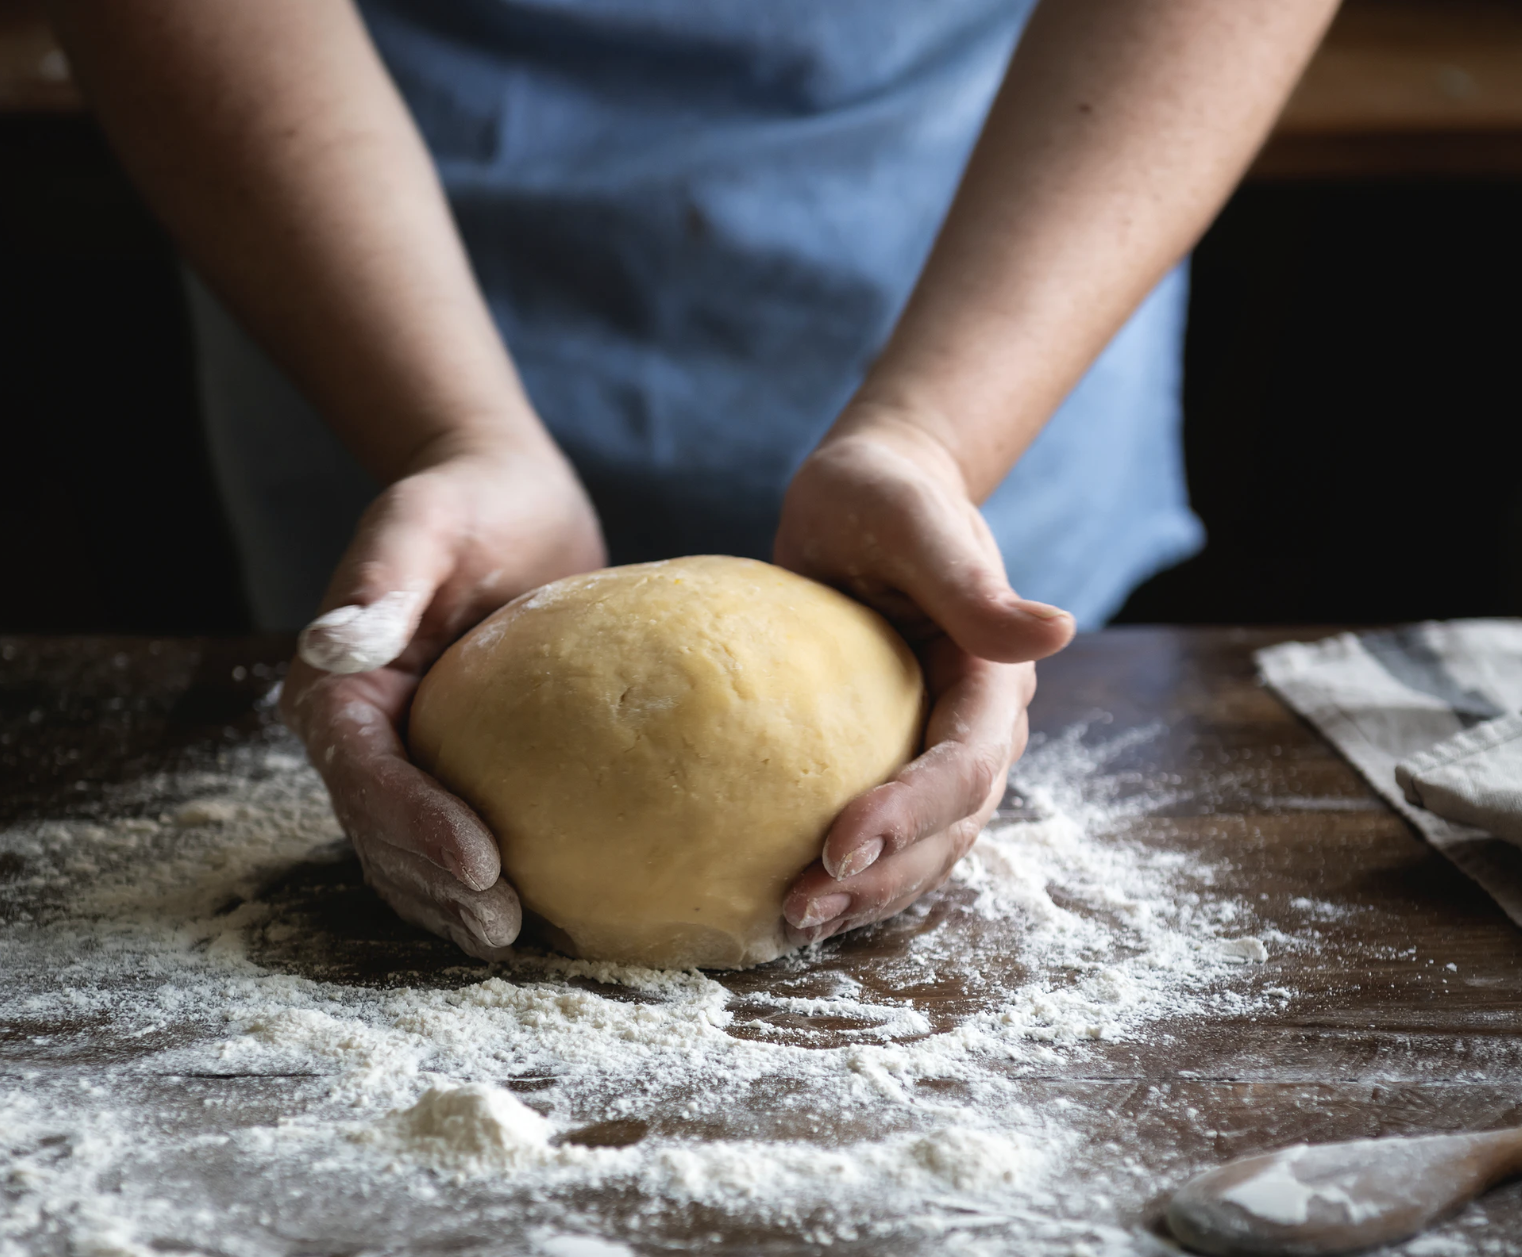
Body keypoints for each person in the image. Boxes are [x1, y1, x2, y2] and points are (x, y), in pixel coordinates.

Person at [52, 0, 1337, 962]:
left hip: (999, 211)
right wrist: (448, 431)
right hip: (355, 225)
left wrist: (933, 437)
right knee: (407, 680)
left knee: (952, 718)